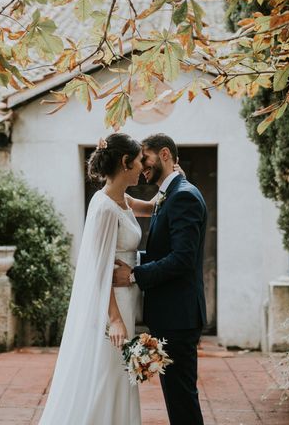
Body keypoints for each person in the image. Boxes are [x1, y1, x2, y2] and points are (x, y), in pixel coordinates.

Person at [39, 132, 146, 425]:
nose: (142, 167)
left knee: (119, 372)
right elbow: (100, 271)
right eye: (138, 161)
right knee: (107, 372)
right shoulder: (104, 209)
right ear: (125, 162)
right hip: (113, 303)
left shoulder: (120, 199)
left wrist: (172, 191)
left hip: (126, 298)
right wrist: (114, 319)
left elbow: (145, 207)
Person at [113, 133, 208, 425]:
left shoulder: (183, 196)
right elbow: (165, 249)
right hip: (173, 314)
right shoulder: (171, 193)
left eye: (146, 157)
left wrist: (134, 275)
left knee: (182, 402)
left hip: (178, 316)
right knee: (179, 399)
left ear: (164, 154)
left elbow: (182, 259)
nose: (142, 165)